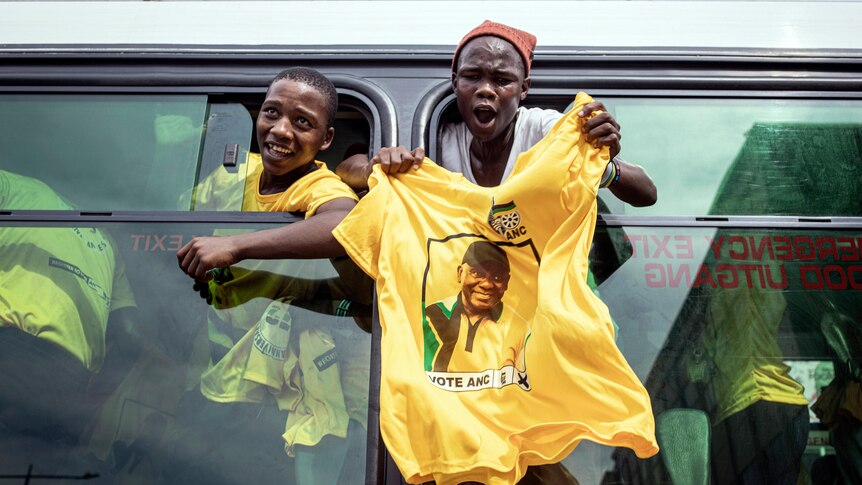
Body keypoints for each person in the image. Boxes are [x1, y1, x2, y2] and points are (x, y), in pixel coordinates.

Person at [335, 19, 657, 484]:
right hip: (479, 311)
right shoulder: (437, 139)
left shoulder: (547, 129)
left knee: (545, 426)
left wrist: (602, 161)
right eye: (473, 78)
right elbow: (347, 167)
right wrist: (376, 164)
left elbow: (645, 191)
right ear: (455, 83)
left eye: (502, 80)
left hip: (543, 304)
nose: (486, 91)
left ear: (523, 89)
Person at [0, 169, 140, 475]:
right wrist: (92, 400)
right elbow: (130, 334)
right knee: (39, 469)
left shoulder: (13, 185)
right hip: (69, 377)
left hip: (11, 347)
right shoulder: (107, 243)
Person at [425, 240, 515, 372]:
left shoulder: (516, 325)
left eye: (497, 277)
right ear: (460, 273)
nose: (487, 284)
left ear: (506, 282)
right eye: (477, 273)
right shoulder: (433, 315)